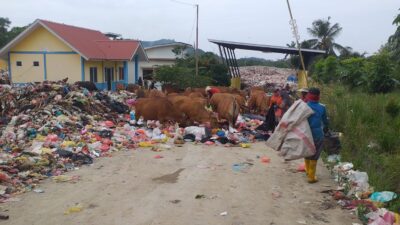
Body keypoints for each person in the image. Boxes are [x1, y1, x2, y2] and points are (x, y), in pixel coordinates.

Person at [304, 87, 329, 183]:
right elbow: (325, 121)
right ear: (318, 96)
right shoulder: (322, 107)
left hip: (306, 133)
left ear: (309, 95)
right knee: (315, 153)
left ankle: (307, 170)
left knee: (307, 151)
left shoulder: (304, 106)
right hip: (317, 133)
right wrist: (326, 128)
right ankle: (311, 176)